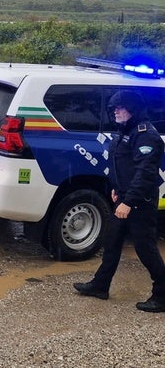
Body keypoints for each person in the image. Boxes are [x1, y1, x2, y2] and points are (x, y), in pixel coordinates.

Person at [73, 90, 165, 312]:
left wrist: (129, 202)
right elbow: (121, 165)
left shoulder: (145, 135)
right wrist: (116, 188)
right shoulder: (125, 131)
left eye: (119, 108)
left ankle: (162, 295)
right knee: (112, 242)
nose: (115, 112)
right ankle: (100, 286)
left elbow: (145, 173)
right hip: (124, 196)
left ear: (132, 110)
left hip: (139, 201)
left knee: (145, 248)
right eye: (113, 108)